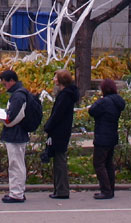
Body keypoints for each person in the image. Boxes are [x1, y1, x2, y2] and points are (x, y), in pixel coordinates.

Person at [88, 78, 125, 199]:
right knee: (108, 163)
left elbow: (92, 111)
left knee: (98, 163)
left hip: (102, 136)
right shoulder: (117, 101)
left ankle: (106, 189)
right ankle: (110, 188)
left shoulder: (104, 102)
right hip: (112, 135)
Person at [0, 69, 30, 203]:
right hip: (19, 134)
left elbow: (13, 118)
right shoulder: (21, 93)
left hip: (15, 135)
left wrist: (3, 118)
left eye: (5, 83)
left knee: (15, 164)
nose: (4, 86)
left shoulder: (18, 96)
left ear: (12, 81)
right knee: (18, 163)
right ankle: (18, 191)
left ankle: (16, 193)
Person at [43, 69, 76, 200]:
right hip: (62, 131)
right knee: (58, 159)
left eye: (55, 77)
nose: (54, 79)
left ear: (61, 80)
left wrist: (48, 126)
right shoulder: (67, 94)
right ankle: (59, 189)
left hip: (59, 132)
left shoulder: (65, 96)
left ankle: (62, 190)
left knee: (59, 161)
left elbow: (57, 114)